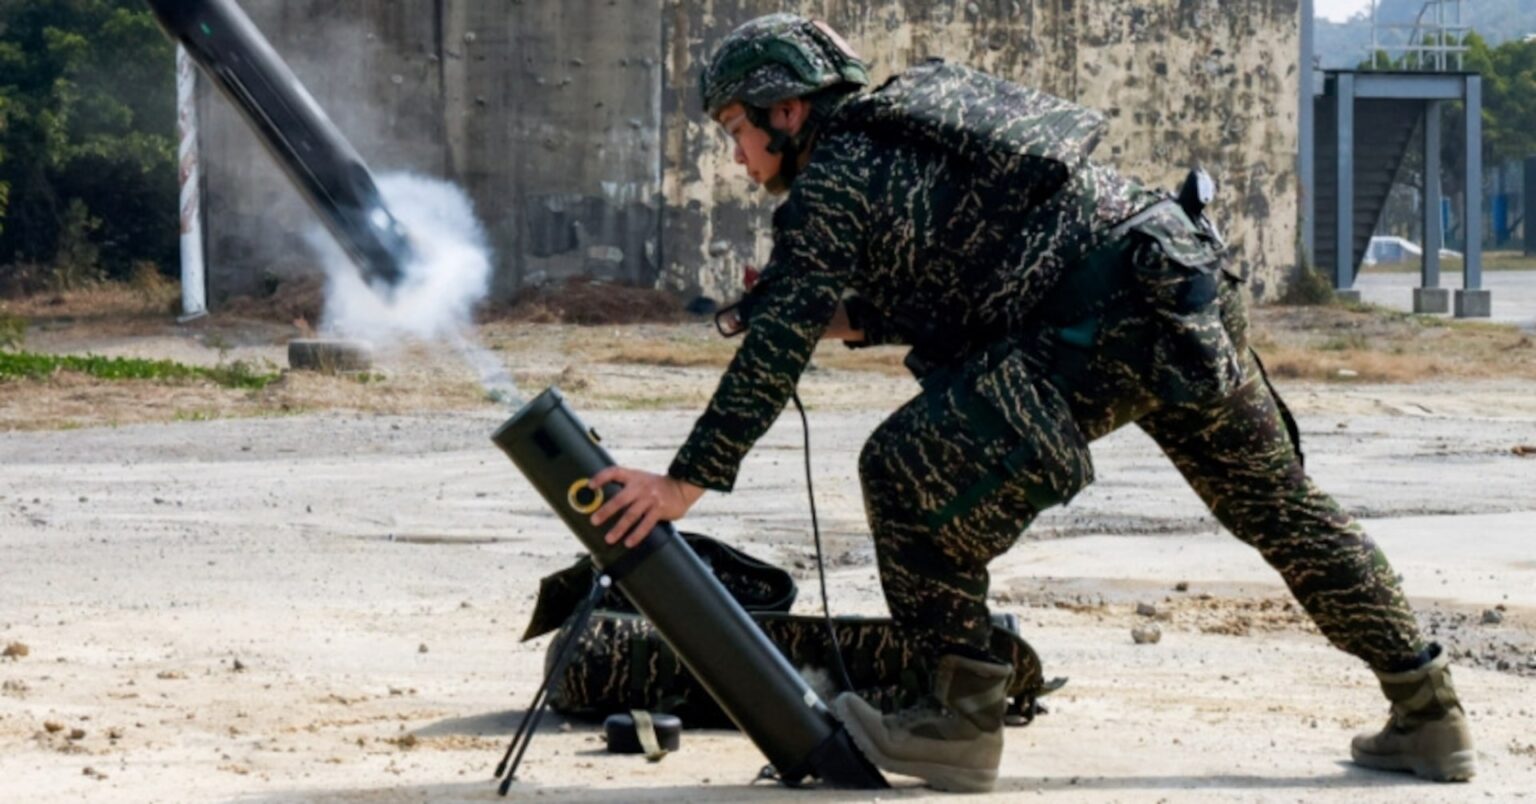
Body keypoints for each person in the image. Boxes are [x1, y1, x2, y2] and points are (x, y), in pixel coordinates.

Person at [586, 13, 1475, 793]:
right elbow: (968, 278)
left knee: (902, 472)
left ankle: (959, 722)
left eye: (736, 130)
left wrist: (680, 485)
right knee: (1282, 508)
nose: (736, 157)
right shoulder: (907, 131)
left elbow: (771, 355)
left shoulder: (836, 175)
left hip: (1099, 320)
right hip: (1178, 285)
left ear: (787, 111)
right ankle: (1428, 711)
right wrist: (839, 318)